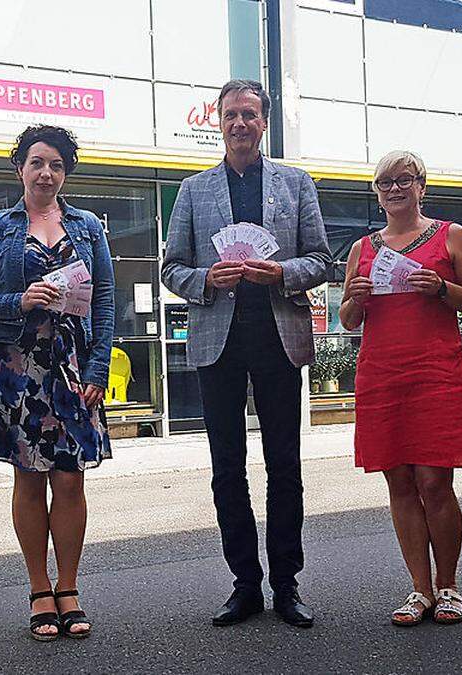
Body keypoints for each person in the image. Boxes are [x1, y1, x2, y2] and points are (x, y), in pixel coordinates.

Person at [161, 79, 330, 628]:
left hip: (279, 338)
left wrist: (281, 271)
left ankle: (287, 583)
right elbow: (171, 270)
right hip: (219, 342)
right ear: (218, 121)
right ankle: (245, 584)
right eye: (230, 115)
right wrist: (206, 279)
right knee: (226, 469)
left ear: (264, 121)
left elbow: (322, 261)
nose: (239, 124)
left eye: (249, 115)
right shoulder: (193, 190)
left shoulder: (296, 183)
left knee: (285, 465)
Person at [0, 125, 115, 642]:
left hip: (74, 367)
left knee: (70, 478)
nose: (45, 172)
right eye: (36, 163)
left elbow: (105, 302)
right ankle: (38, 589)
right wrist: (17, 302)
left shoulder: (89, 226)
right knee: (28, 477)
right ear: (20, 168)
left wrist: (98, 368)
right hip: (16, 365)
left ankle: (69, 587)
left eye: (55, 164)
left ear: (65, 171)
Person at [339, 150, 462, 627]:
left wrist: (441, 289)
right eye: (386, 182)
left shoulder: (451, 236)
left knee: (434, 482)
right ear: (376, 192)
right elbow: (347, 319)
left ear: (422, 186)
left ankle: (449, 586)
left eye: (405, 180)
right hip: (382, 374)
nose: (395, 189)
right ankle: (419, 590)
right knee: (399, 482)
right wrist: (355, 300)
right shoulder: (363, 249)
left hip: (435, 372)